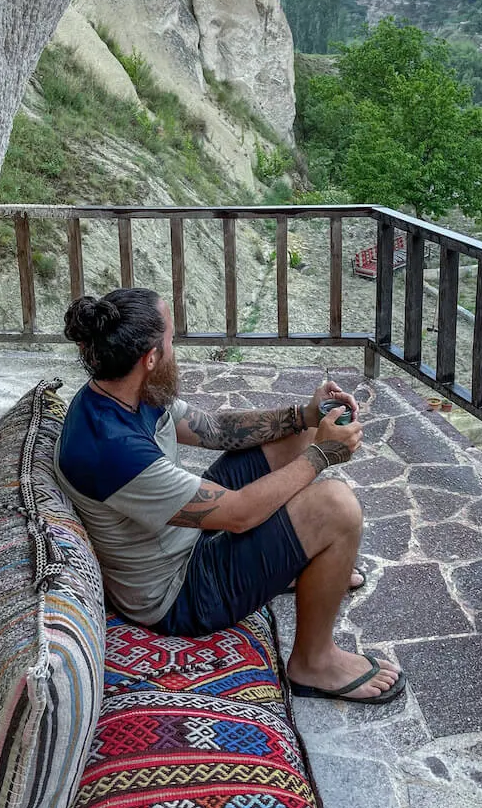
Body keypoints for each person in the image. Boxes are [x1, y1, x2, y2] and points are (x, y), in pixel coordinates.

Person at [53, 286, 404, 704]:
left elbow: (216, 430)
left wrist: (305, 416)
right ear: (151, 358)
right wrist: (322, 454)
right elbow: (239, 516)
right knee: (336, 506)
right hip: (179, 593)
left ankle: (303, 568)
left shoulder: (126, 392)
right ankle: (314, 663)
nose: (176, 351)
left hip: (186, 539)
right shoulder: (111, 449)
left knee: (300, 433)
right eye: (172, 341)